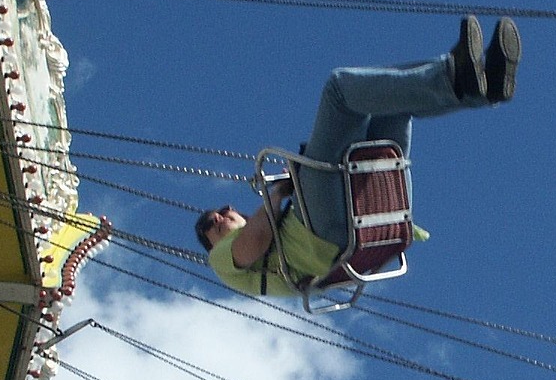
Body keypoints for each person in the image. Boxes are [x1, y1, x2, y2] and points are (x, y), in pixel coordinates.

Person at [197, 17, 518, 299]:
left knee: (391, 98)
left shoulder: (268, 226)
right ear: (212, 243)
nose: (224, 213)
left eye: (225, 209)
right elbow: (253, 244)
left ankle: (478, 83)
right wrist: (280, 192)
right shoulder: (221, 260)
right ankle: (453, 75)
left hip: (356, 225)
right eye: (214, 221)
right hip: (323, 236)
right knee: (340, 90)